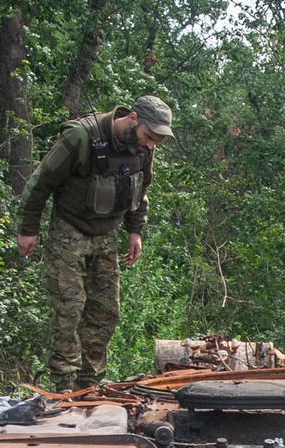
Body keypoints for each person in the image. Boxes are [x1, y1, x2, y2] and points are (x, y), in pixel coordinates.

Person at [16, 95, 173, 389]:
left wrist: (135, 230)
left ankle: (89, 384)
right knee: (69, 308)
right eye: (149, 137)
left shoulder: (141, 149)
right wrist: (28, 229)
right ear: (133, 118)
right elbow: (40, 184)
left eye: (157, 141)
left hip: (106, 234)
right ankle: (63, 385)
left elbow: (141, 188)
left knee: (105, 311)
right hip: (69, 230)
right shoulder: (81, 137)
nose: (151, 145)